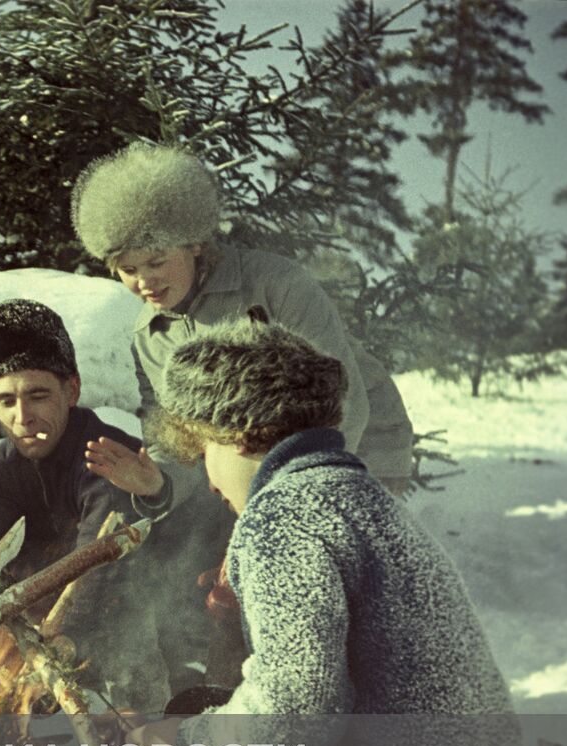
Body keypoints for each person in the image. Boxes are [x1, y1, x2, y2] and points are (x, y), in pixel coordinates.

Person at [61, 320, 522, 746]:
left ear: (245, 435)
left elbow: (297, 715)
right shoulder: (359, 494)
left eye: (205, 453)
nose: (211, 478)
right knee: (198, 703)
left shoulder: (281, 514)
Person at [70, 141, 416, 684]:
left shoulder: (274, 284)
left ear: (195, 243)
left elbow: (343, 399)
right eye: (126, 268)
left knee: (345, 589)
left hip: (361, 446)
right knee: (260, 597)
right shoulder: (150, 338)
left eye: (156, 261)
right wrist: (156, 481)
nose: (143, 282)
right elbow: (180, 448)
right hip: (255, 475)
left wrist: (284, 507)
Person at [0, 299, 198, 715]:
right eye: (6, 400)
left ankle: (151, 742)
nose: (22, 416)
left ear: (71, 389)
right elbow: (14, 547)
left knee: (131, 662)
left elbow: (99, 559)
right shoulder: (4, 462)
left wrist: (69, 634)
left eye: (38, 395)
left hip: (134, 598)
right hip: (59, 603)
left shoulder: (102, 455)